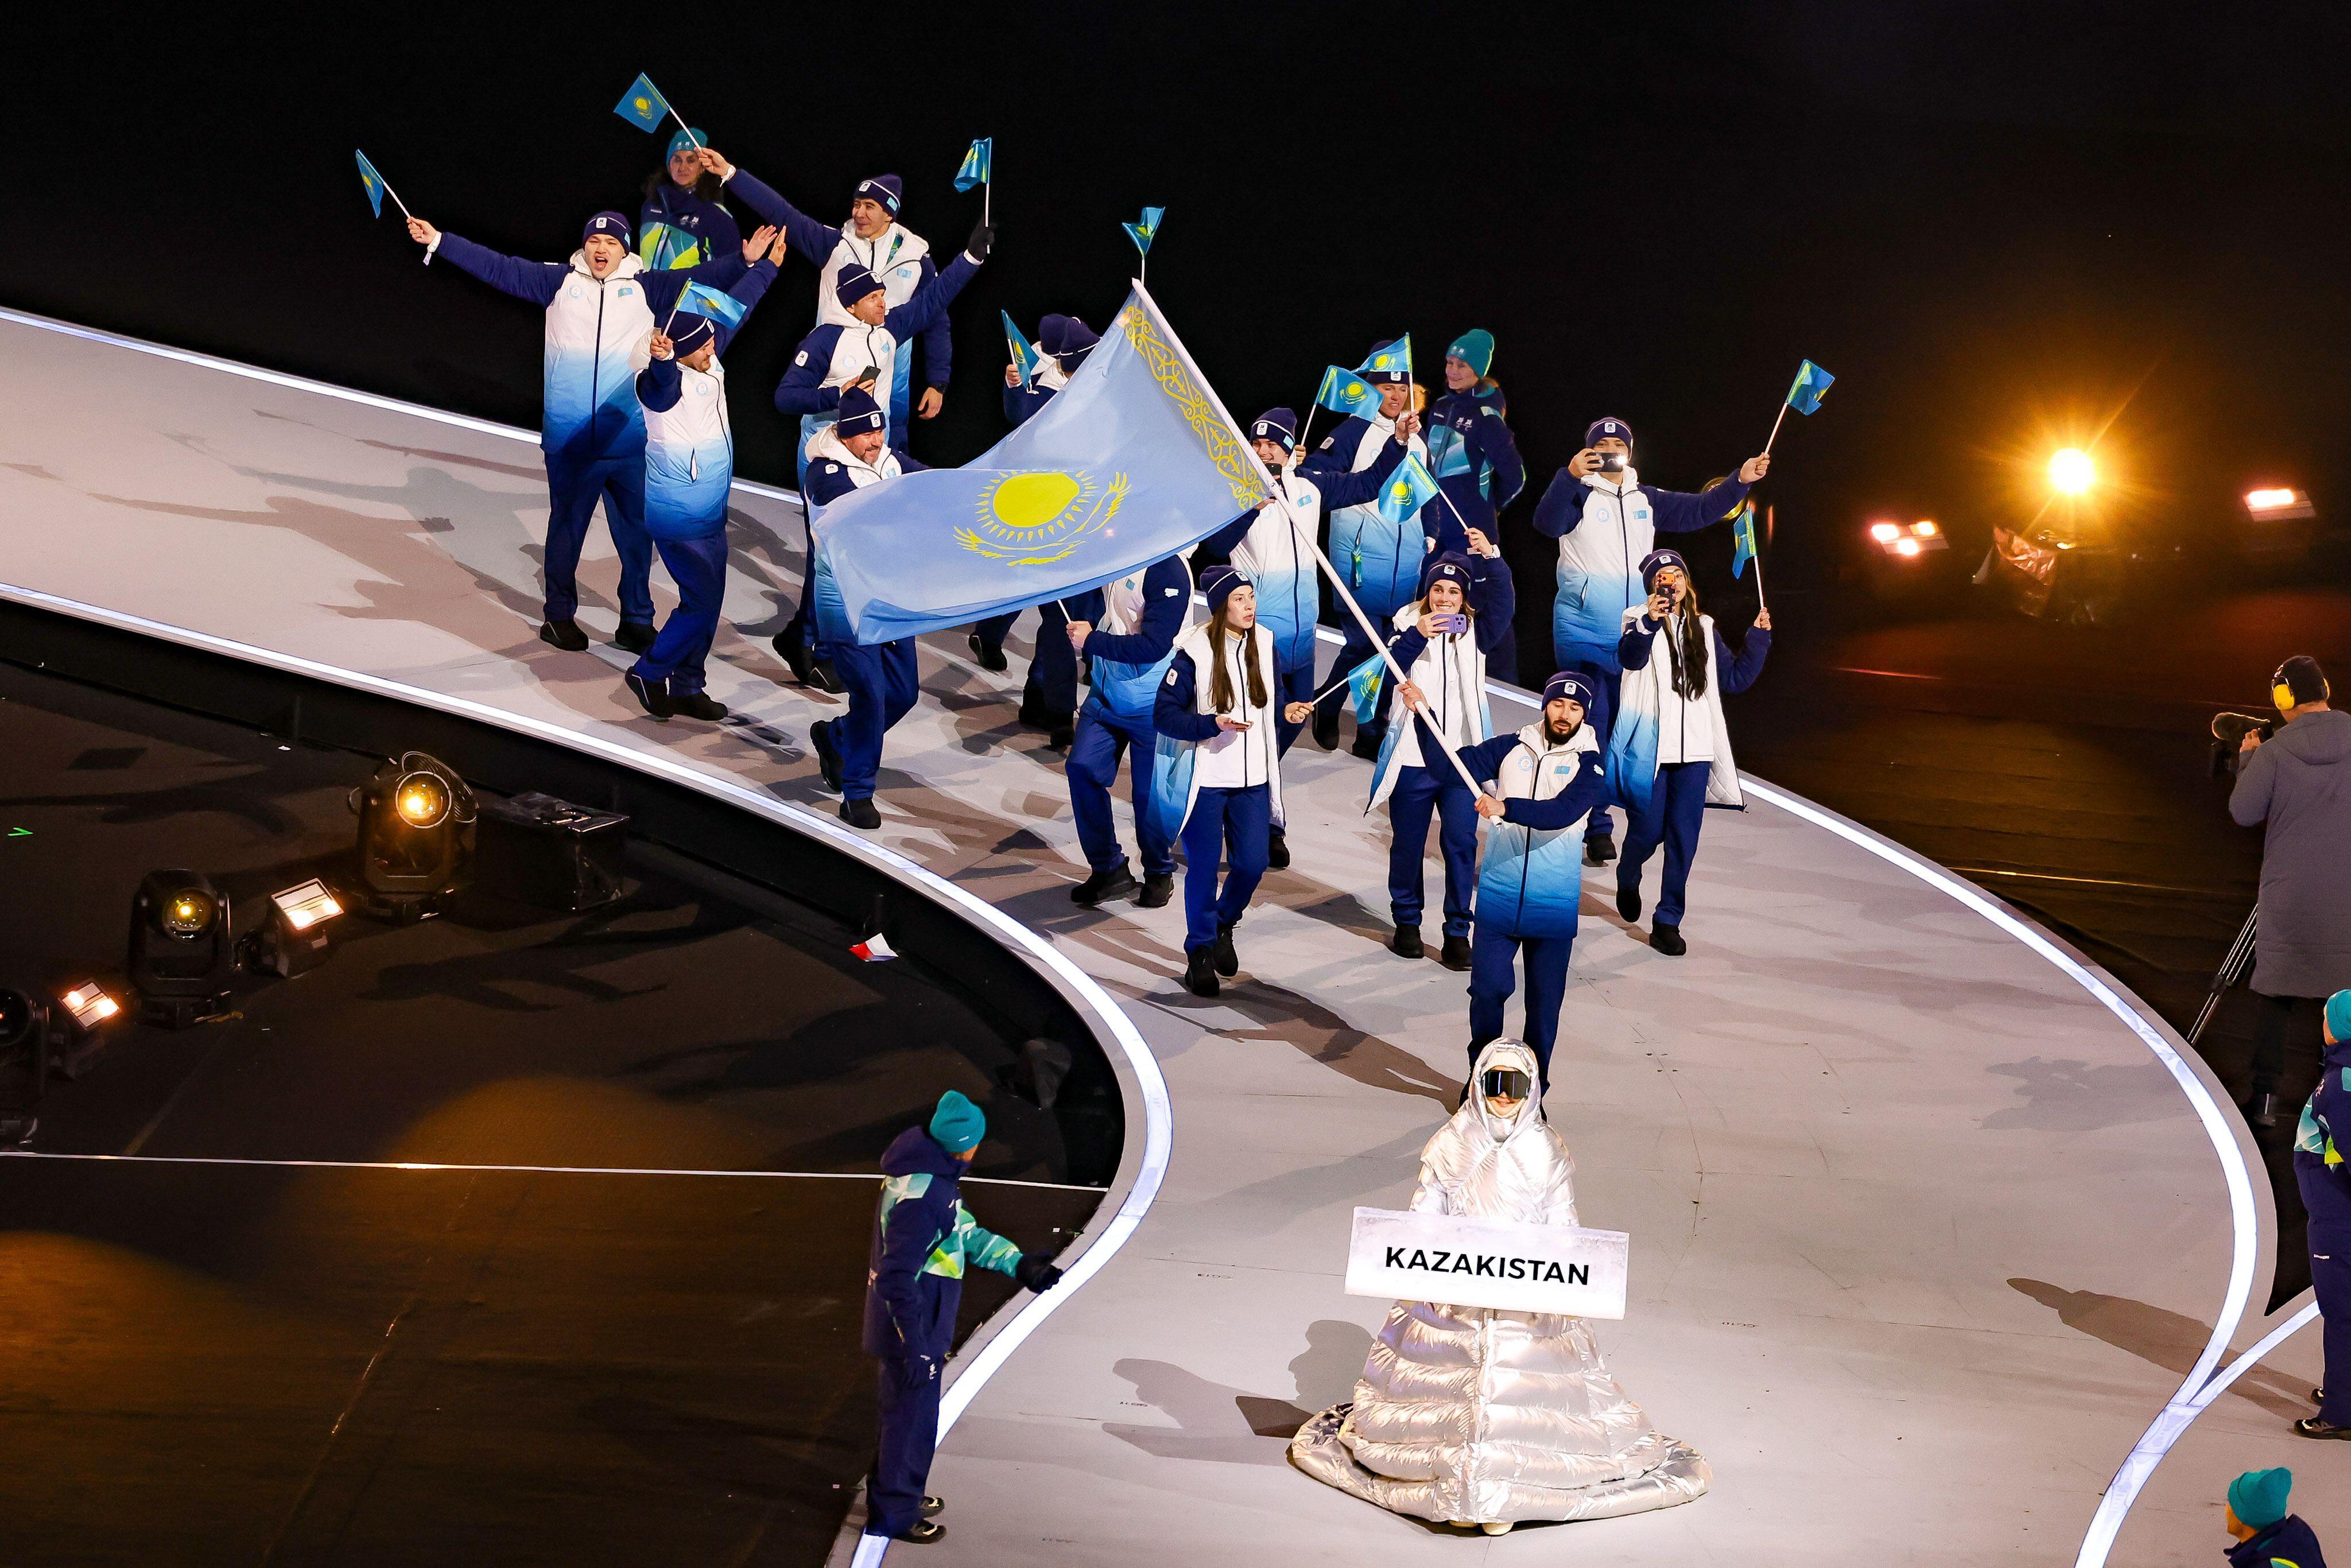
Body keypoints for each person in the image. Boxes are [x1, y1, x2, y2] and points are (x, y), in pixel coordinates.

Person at [1291, 1038, 1709, 1531]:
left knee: (1518, 1397)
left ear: (1532, 1090)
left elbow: (1562, 1221)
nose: (1505, 1095)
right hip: (1455, 1292)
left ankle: (1501, 1494)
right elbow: (1425, 1211)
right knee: (1455, 1389)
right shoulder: (1452, 1141)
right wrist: (1430, 1260)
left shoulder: (1545, 1148)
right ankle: (1458, 1484)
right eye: (1495, 1082)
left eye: (1516, 1084)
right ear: (1478, 1083)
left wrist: (1560, 1274)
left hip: (1525, 1296)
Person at [402, 209, 754, 655]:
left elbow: (702, 277)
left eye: (611, 243)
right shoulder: (558, 282)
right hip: (571, 443)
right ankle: (559, 616)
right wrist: (440, 241)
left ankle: (636, 621)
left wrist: (745, 261)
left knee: (637, 537)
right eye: (594, 241)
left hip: (629, 442)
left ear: (625, 250)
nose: (600, 249)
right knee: (567, 531)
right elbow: (498, 267)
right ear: (584, 246)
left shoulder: (647, 287)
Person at [1533, 417, 1768, 865]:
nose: (1609, 451)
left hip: (1636, 633)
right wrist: (1569, 476)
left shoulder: (1647, 498)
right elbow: (1546, 524)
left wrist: (1739, 480)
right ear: (1588, 451)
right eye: (1600, 445)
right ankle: (1595, 824)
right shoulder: (1577, 493)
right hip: (1582, 631)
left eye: (1617, 444)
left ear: (1630, 451)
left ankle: (1610, 811)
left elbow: (1701, 510)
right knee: (1590, 724)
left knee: (1628, 730)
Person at [770, 224, 990, 692]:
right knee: (832, 554)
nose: (883, 303)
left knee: (843, 555)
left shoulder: (889, 331)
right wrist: (836, 394)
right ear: (852, 304)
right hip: (827, 457)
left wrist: (970, 259)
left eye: (883, 296)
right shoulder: (824, 340)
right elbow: (786, 397)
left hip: (872, 456)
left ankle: (804, 639)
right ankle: (820, 648)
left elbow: (934, 300)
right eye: (874, 298)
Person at [1194, 407, 1413, 868]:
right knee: (1260, 732)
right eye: (1257, 444)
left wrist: (1397, 441)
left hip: (1302, 636)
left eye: (1272, 444)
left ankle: (1246, 804)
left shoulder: (1311, 485)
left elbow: (1370, 483)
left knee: (1289, 724)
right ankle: (1266, 827)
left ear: (1290, 450)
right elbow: (1213, 549)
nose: (1263, 452)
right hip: (1258, 639)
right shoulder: (1236, 491)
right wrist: (1250, 509)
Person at [863, 1089, 1064, 1546]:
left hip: (920, 1322)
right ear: (965, 1146)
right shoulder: (923, 1197)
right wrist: (915, 1345)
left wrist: (1019, 1265)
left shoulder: (932, 1179)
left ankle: (902, 1494)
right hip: (911, 1327)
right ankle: (893, 1514)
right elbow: (896, 1277)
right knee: (908, 1422)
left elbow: (964, 1233)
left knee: (913, 1418)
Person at [619, 226, 787, 723]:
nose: (714, 345)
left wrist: (767, 268)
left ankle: (689, 685)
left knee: (708, 602)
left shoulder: (708, 361)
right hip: (677, 513)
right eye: (705, 343)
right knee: (700, 600)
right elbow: (661, 381)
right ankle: (649, 671)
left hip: (710, 508)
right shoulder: (658, 385)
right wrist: (663, 360)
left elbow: (737, 308)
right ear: (680, 350)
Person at [690, 149, 954, 437]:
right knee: (819, 441)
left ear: (889, 214)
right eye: (857, 204)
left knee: (887, 439)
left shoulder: (916, 259)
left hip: (891, 369)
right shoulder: (834, 244)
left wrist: (938, 382)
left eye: (869, 207)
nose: (859, 213)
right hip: (832, 366)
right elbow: (784, 213)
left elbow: (936, 318)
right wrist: (732, 174)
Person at [1341, 542, 1515, 970]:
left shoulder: (1475, 632)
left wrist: (1494, 558)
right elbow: (1386, 675)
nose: (1444, 598)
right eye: (1438, 589)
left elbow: (1504, 602)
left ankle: (1457, 932)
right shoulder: (1405, 625)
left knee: (1460, 845)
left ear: (1464, 598)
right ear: (1427, 592)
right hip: (1414, 758)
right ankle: (1407, 923)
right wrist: (1419, 634)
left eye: (1454, 592)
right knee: (1408, 845)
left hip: (1461, 760)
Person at [1151, 566, 1318, 998]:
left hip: (1254, 780)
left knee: (1252, 864)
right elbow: (1164, 715)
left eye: (1251, 597)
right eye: (1239, 599)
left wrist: (1286, 712)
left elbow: (1272, 700)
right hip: (1207, 780)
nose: (1250, 606)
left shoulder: (1265, 642)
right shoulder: (1192, 652)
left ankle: (1224, 922)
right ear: (1221, 606)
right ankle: (1199, 951)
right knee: (1204, 868)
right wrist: (1211, 724)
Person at [1609, 549, 1771, 956]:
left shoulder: (1704, 626)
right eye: (1662, 576)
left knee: (1683, 838)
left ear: (1686, 583)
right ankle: (1629, 872)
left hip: (1696, 752)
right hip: (1653, 749)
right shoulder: (1635, 618)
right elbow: (1629, 658)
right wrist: (1650, 621)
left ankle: (1668, 920)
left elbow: (1733, 679)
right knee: (1648, 831)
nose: (1671, 581)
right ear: (1652, 586)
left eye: (1677, 574)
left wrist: (1758, 639)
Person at [1458, 672, 1609, 1088]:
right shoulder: (1511, 746)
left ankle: (1534, 1090)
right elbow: (1450, 764)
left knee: (1543, 1007)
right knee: (1487, 991)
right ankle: (1481, 1079)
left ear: (1585, 714)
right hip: (1498, 898)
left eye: (1575, 708)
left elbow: (1561, 813)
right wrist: (1422, 714)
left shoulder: (1592, 765)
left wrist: (1504, 807)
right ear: (1545, 705)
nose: (1565, 714)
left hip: (1552, 905)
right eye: (1558, 704)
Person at [2230, 656, 2351, 1127]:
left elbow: (2244, 811)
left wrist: (2249, 760)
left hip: (2290, 896)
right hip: (2346, 896)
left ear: (2284, 697)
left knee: (2276, 995)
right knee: (2341, 1002)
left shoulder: (2275, 752)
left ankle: (2265, 1100)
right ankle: (2337, 1102)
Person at [802, 388, 929, 829]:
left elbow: (931, 481)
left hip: (890, 597)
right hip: (845, 602)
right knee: (871, 697)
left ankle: (836, 736)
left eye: (880, 431)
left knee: (903, 694)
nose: (877, 440)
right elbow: (861, 514)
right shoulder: (825, 473)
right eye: (867, 434)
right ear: (844, 435)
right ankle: (857, 793)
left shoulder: (889, 460)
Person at [971, 316, 1100, 742]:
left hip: (1080, 514)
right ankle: (1055, 709)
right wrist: (1013, 386)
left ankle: (1041, 699)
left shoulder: (1095, 385)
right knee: (1059, 610)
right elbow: (1021, 416)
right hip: (1045, 514)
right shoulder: (1044, 390)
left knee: (1068, 608)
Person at [1300, 340, 1431, 758]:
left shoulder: (1418, 438)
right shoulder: (1352, 431)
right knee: (1365, 643)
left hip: (1405, 564)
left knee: (1388, 647)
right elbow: (1315, 480)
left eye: (1401, 389)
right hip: (1356, 558)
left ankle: (1341, 711)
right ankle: (1356, 722)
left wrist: (1429, 536)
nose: (1395, 396)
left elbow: (1427, 493)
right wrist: (1299, 464)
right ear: (1370, 389)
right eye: (1386, 387)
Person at [1064, 552, 1193, 909]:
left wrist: (1092, 642)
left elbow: (1155, 645)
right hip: (1106, 693)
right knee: (1082, 769)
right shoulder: (1120, 555)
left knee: (1149, 797)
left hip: (1154, 704)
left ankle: (1159, 871)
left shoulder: (1168, 569)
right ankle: (1109, 870)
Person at [1424, 331, 1527, 682]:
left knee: (1483, 605)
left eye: (1462, 365)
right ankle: (1439, 677)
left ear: (1479, 371)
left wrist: (1487, 508)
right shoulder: (1440, 407)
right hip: (1438, 529)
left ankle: (1502, 686)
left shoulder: (1487, 417)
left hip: (1472, 532)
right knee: (1437, 600)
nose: (1452, 371)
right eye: (1450, 362)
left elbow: (1516, 477)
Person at [2292, 991, 2351, 1441]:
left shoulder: (2342, 1086)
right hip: (2337, 1210)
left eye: (2326, 1018)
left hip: (2339, 1218)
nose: (2322, 1025)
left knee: (2342, 1312)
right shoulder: (2341, 1075)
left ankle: (2341, 1412)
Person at [637, 128, 739, 271]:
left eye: (691, 160)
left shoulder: (717, 215)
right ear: (669, 165)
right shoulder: (652, 204)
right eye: (677, 160)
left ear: (703, 167)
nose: (683, 167)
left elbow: (733, 271)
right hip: (648, 286)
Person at [2221, 1466, 2327, 1563]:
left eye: (2231, 1503)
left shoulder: (2266, 1564)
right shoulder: (2294, 1540)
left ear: (2243, 1516)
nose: (2226, 1508)